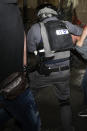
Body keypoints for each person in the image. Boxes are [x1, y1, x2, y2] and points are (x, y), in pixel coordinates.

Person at [27, 3, 82, 131]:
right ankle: (68, 127)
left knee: (28, 98)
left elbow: (30, 50)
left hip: (43, 72)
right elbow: (80, 32)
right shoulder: (66, 24)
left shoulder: (35, 28)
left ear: (40, 14)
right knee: (64, 101)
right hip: (64, 72)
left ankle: (32, 125)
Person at [0, 1, 41, 131]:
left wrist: (23, 69)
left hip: (16, 80)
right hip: (10, 82)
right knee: (34, 125)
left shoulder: (12, 7)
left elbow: (22, 36)